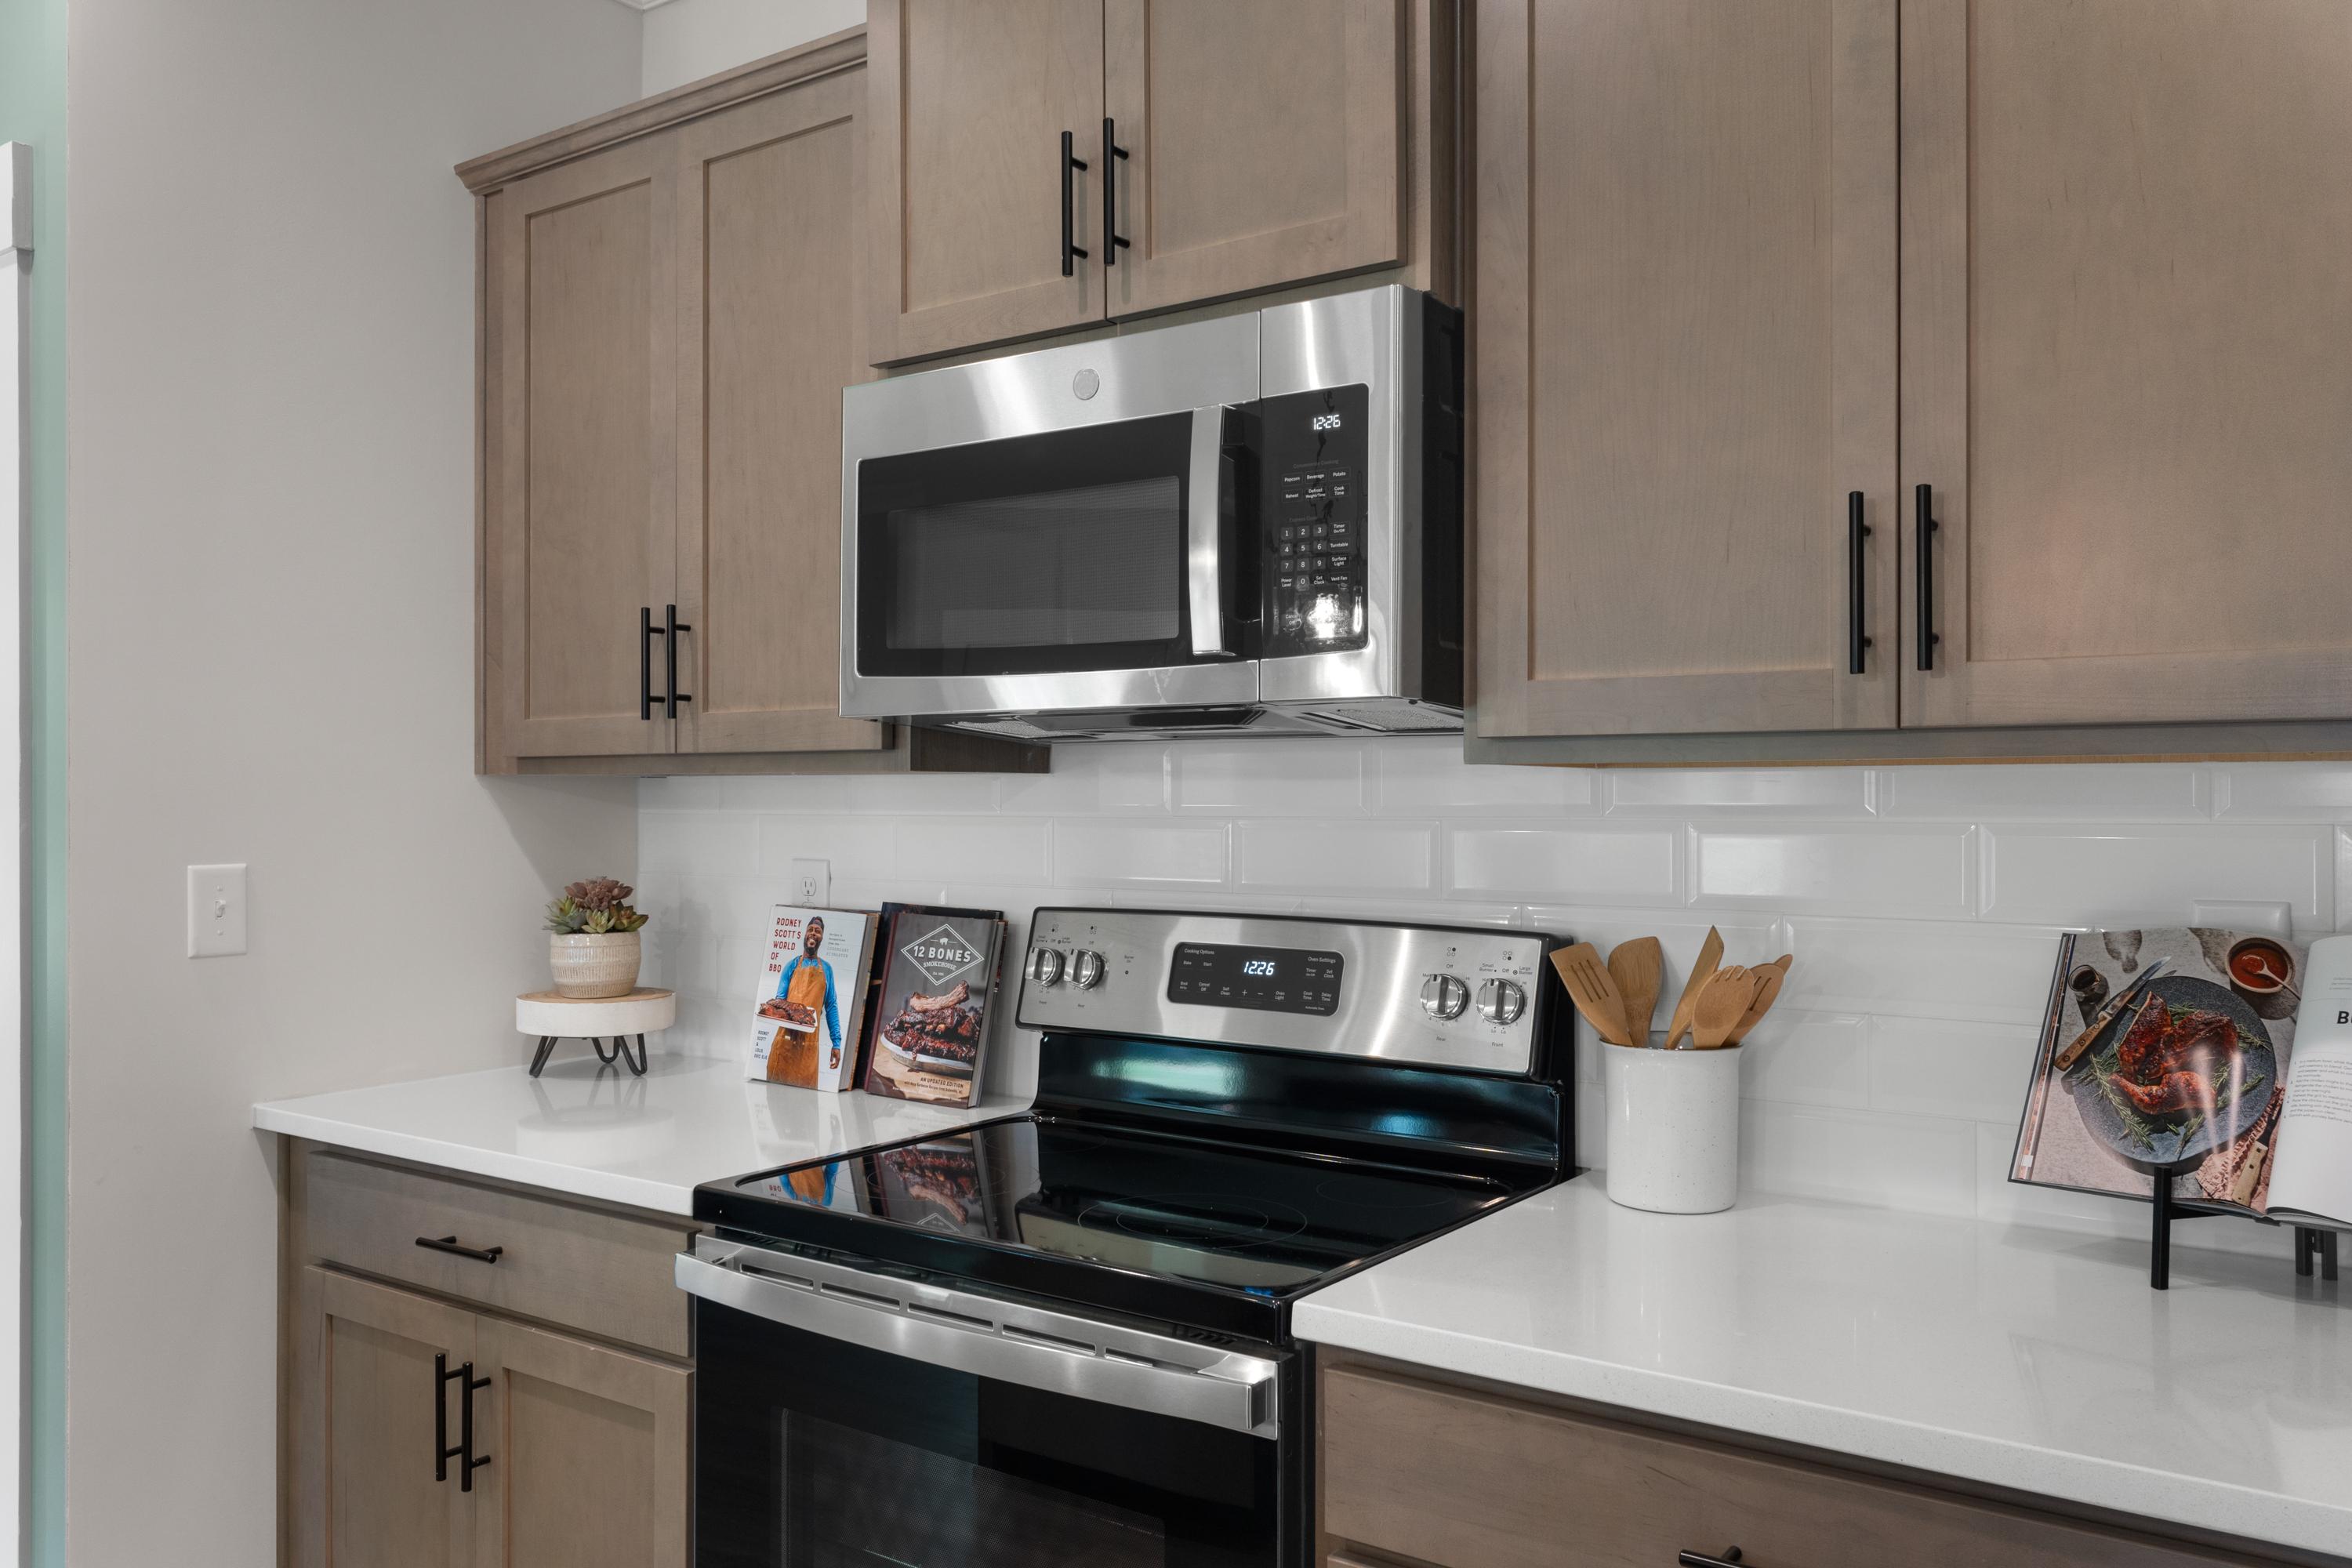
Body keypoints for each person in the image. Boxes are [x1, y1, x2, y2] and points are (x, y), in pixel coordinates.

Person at [764, 916, 840, 1087]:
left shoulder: (827, 970)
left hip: (809, 1045)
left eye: (818, 931)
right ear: (805, 935)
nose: (813, 933)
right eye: (810, 929)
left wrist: (837, 1044)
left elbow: (832, 1007)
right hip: (785, 1041)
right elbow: (780, 1000)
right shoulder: (791, 966)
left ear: (821, 938)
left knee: (806, 1107)